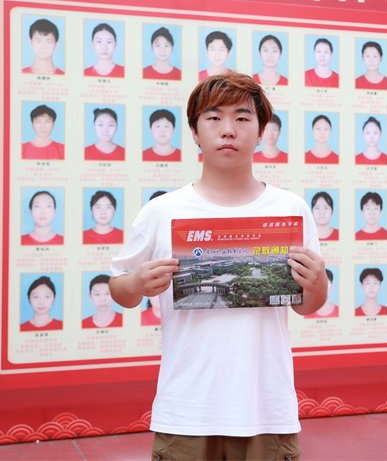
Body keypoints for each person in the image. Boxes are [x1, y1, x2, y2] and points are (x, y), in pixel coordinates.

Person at [109, 72, 327, 458]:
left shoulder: (290, 208)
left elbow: (307, 305)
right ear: (195, 132)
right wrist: (138, 284)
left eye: (242, 118)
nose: (228, 130)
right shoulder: (162, 211)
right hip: (187, 411)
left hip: (266, 411)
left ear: (261, 132)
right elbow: (120, 289)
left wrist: (317, 283)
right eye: (213, 118)